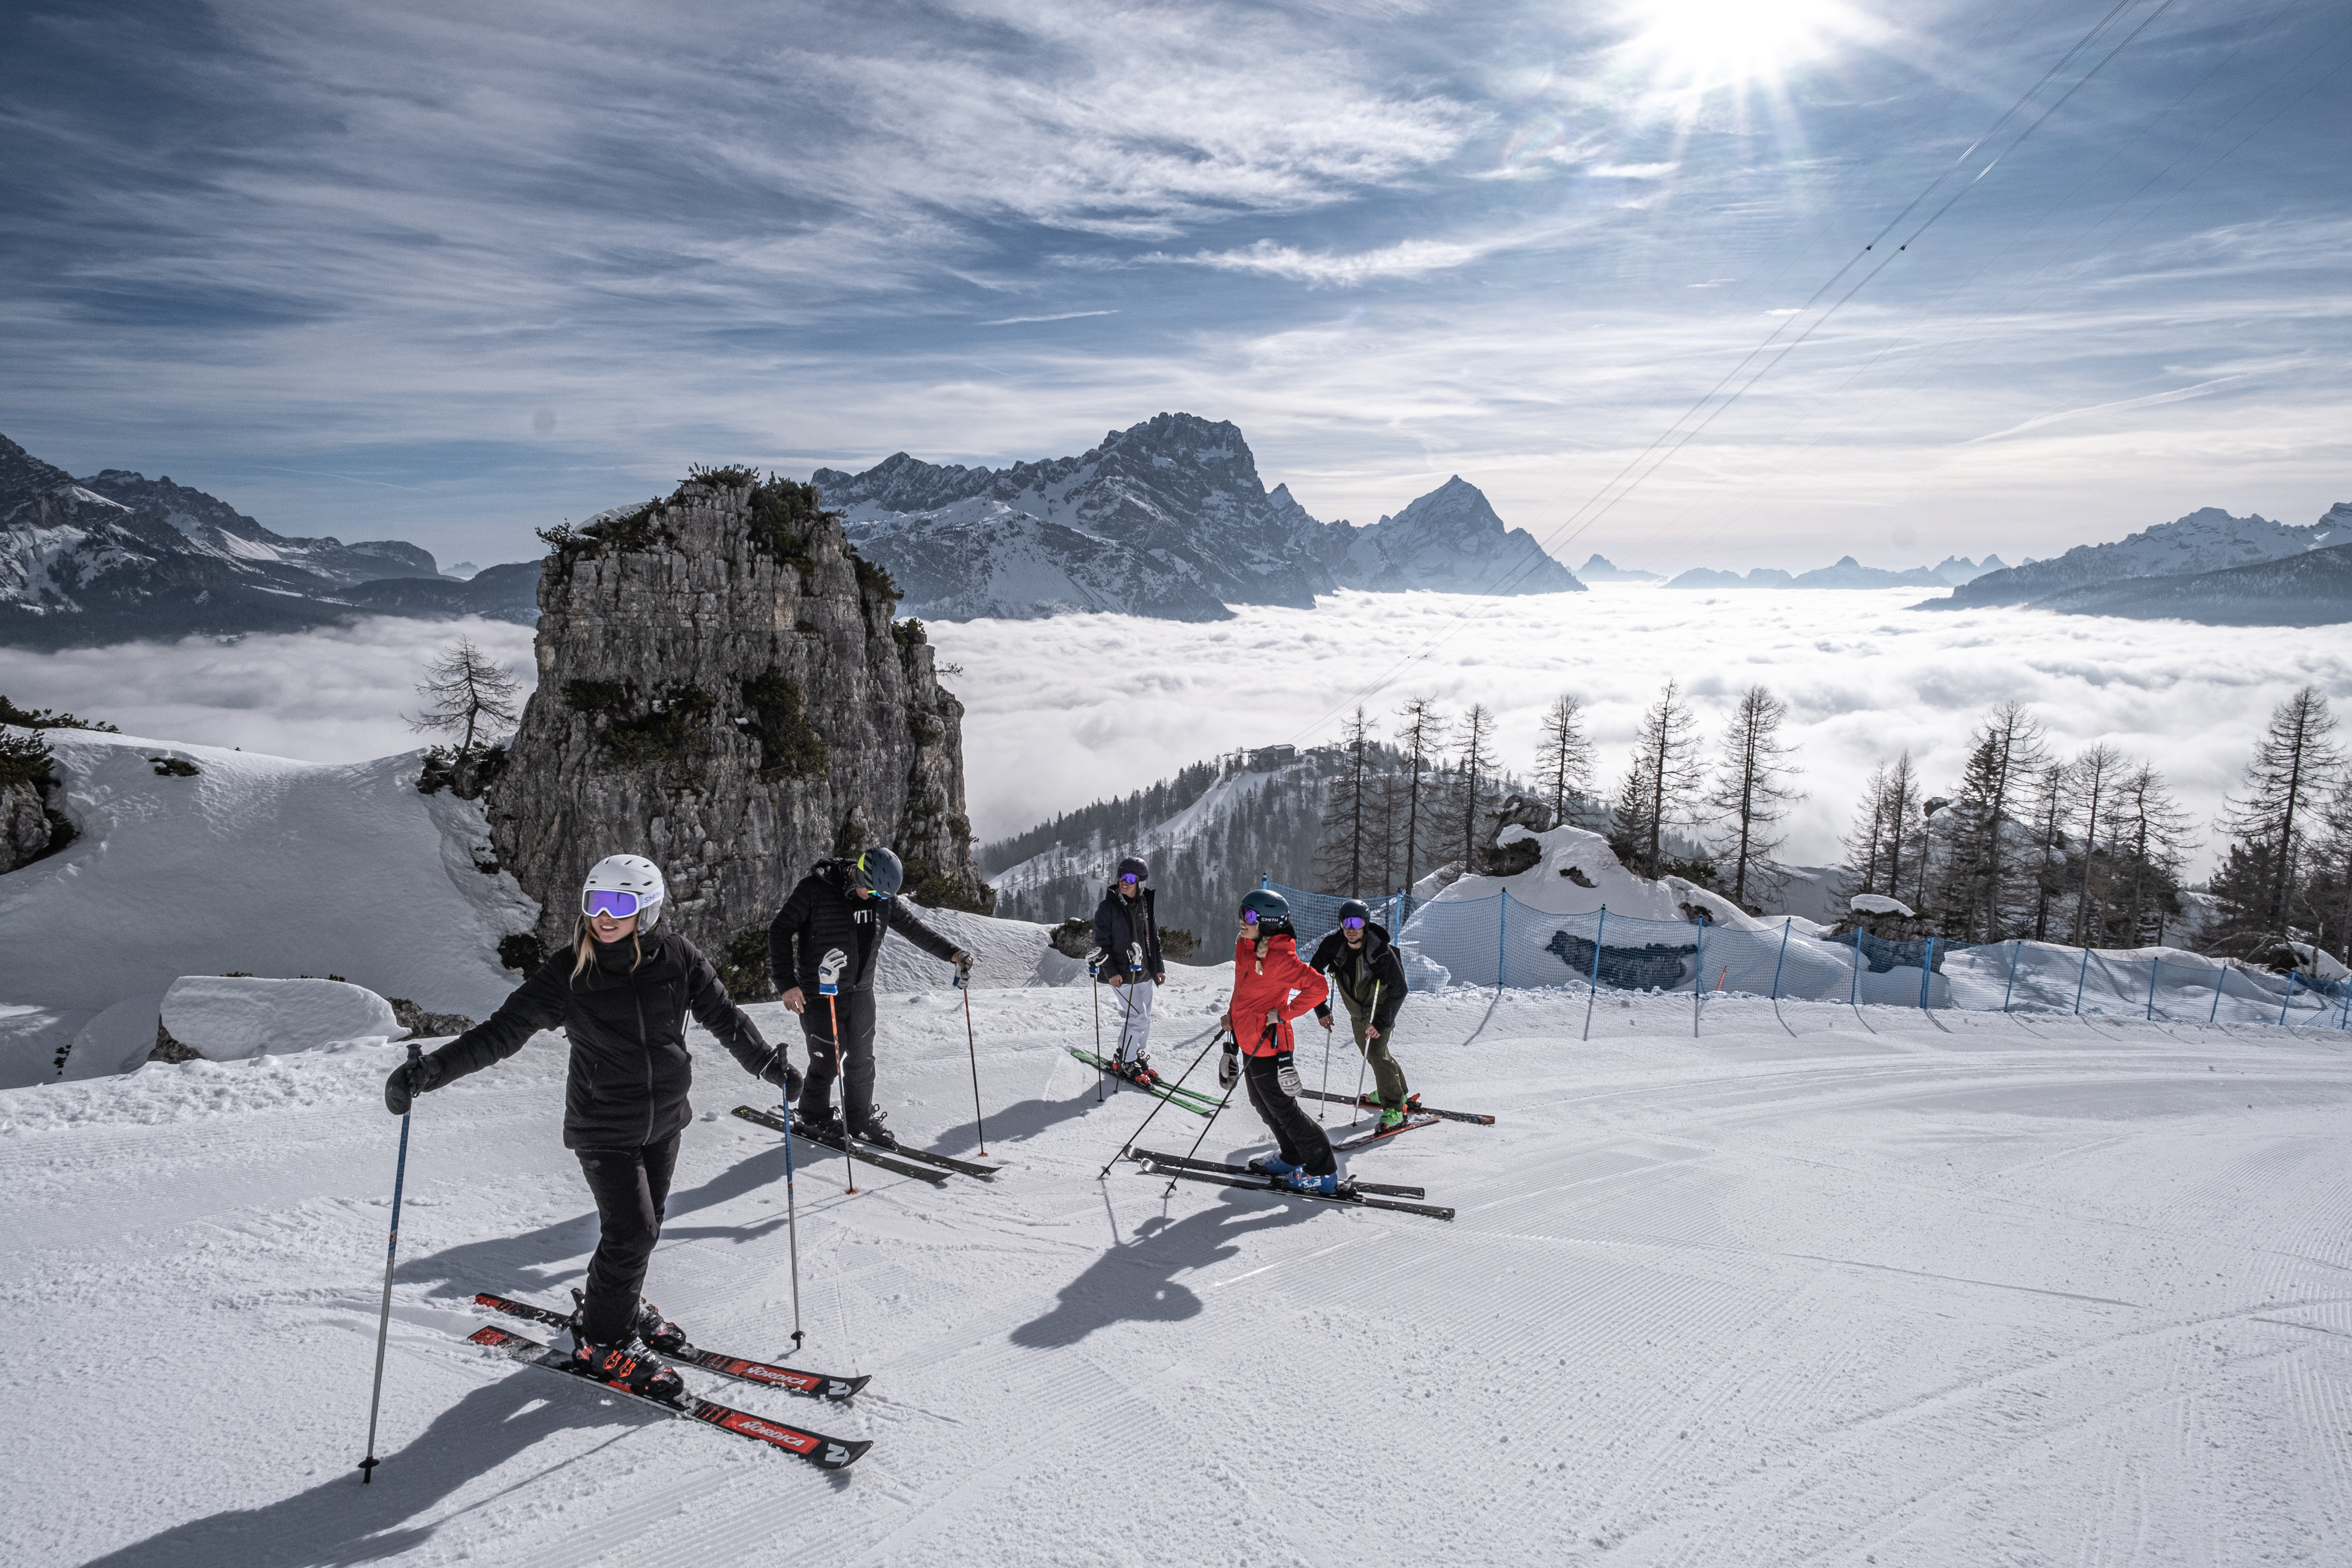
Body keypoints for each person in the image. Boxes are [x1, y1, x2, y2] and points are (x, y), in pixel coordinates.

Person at [380, 854, 794, 1398]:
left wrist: (765, 1063)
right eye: (594, 902)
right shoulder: (571, 972)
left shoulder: (678, 958)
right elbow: (502, 1032)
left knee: (644, 1227)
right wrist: (431, 1070)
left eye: (618, 904)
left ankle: (620, 1303)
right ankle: (605, 1340)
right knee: (633, 1230)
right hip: (603, 1126)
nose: (602, 915)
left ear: (647, 908)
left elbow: (724, 1015)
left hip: (664, 1121)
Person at [767, 844, 973, 1149]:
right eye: (874, 893)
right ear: (859, 876)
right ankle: (813, 1116)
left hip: (862, 991)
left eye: (884, 896)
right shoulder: (816, 889)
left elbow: (914, 929)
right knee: (827, 1060)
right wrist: (786, 983)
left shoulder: (883, 899)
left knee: (862, 1060)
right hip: (821, 992)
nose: (879, 900)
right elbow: (780, 930)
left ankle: (859, 1118)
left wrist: (952, 953)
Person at [1217, 888, 1339, 1195]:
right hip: (1248, 1039)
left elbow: (1319, 988)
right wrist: (1232, 1012)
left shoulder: (1280, 959)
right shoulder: (1246, 946)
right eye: (1241, 913)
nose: (1241, 921)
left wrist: (1285, 1013)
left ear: (1268, 923)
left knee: (1284, 1109)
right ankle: (1293, 1156)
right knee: (1263, 1103)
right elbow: (1243, 986)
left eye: (1248, 916)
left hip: (1269, 1044)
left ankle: (1323, 1171)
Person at [1309, 897, 1412, 1129]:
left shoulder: (1381, 952)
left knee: (1375, 1052)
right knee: (1375, 1052)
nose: (1351, 929)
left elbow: (1400, 989)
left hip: (1380, 1009)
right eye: (1346, 922)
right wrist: (1320, 1007)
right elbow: (1312, 974)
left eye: (1356, 923)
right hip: (1356, 1011)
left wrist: (1381, 1022)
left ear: (1365, 924)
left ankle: (1395, 1107)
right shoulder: (1333, 946)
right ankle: (1398, 1090)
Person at [1092, 854, 1167, 1085]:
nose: (1125, 882)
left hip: (1144, 972)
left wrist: (1159, 967)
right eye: (1122, 876)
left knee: (1145, 1019)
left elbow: (1152, 938)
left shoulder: (1145, 904)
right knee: (1137, 1017)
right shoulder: (1107, 908)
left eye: (1131, 878)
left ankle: (1134, 1055)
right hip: (1122, 975)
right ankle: (1126, 1060)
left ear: (1139, 882)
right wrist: (1111, 972)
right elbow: (1101, 944)